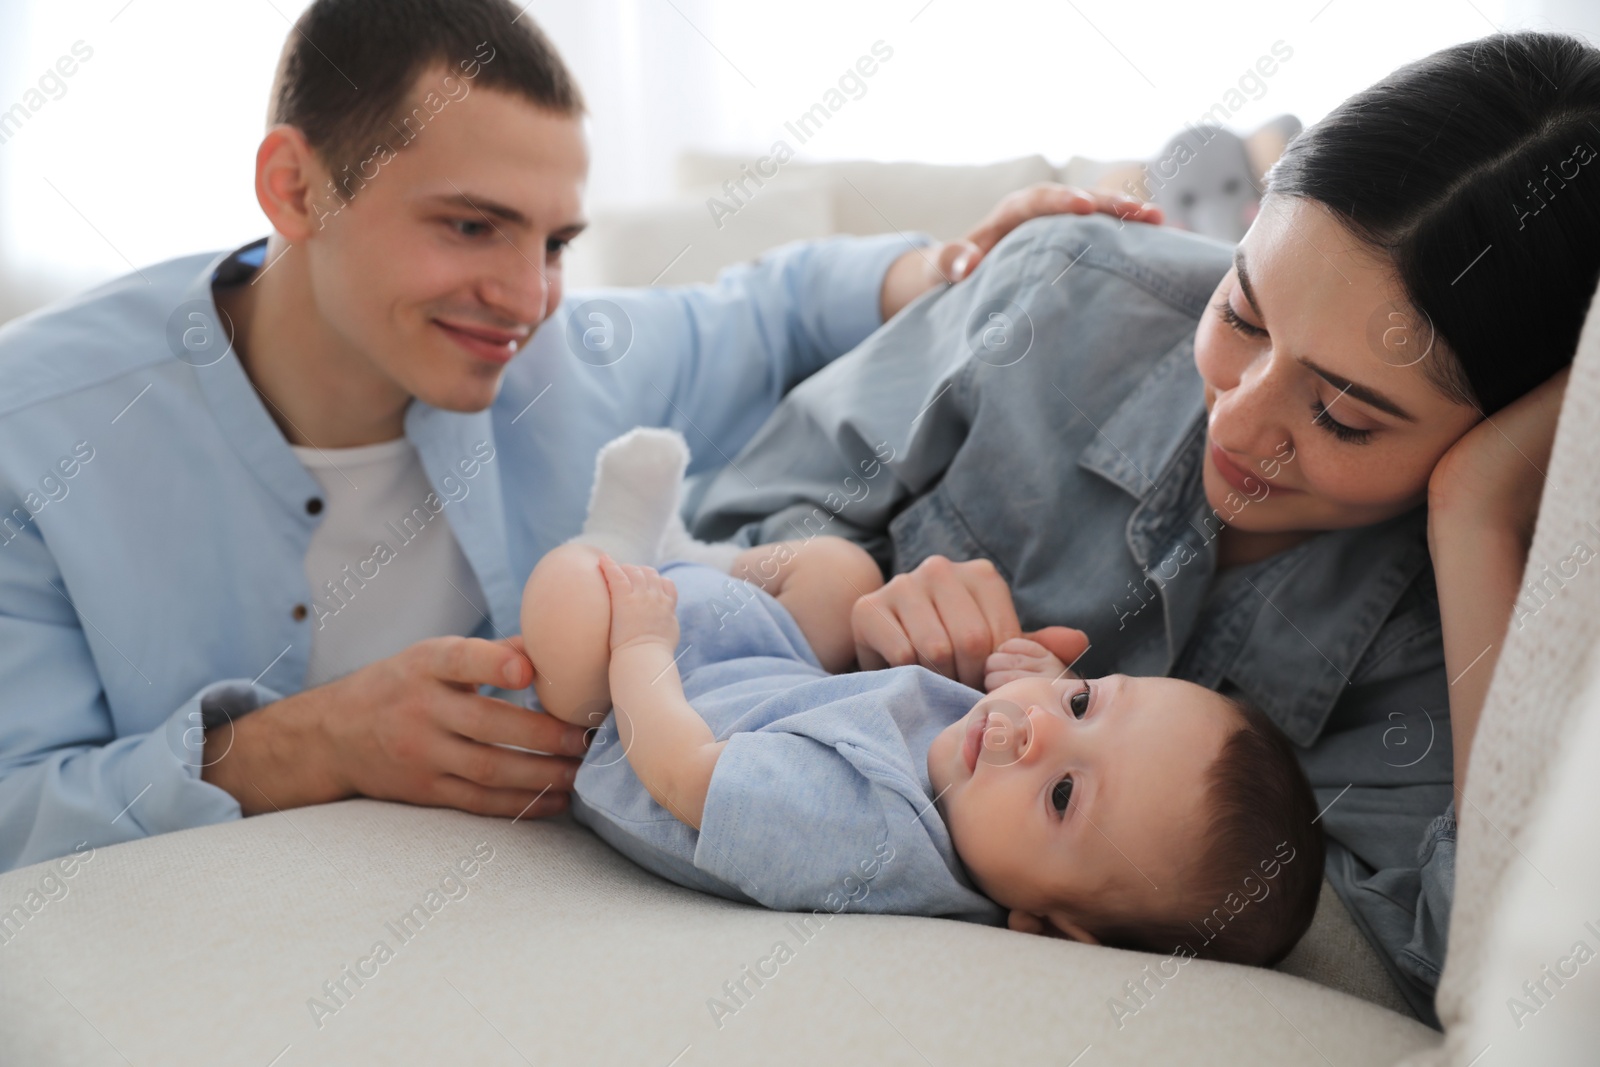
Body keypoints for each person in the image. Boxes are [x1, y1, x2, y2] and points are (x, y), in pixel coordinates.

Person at [0, 0, 1160, 874]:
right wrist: (304, 746)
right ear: (296, 191)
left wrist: (974, 267)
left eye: (554, 242)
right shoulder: (35, 437)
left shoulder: (552, 364)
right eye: (470, 225)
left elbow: (775, 308)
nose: (527, 295)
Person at [690, 31, 1600, 1025]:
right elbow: (729, 526)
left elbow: (1482, 969)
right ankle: (1222, 183)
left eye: (1343, 414)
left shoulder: (1458, 621)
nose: (1240, 424)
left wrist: (1477, 513)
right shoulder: (1061, 287)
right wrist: (836, 584)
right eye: (1243, 317)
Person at [519, 428, 1324, 966]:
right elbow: (1026, 714)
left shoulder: (858, 832)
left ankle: (622, 543)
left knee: (570, 608)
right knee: (843, 576)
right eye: (1084, 706)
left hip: (640, 716)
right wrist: (1032, 675)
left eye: (1064, 794)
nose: (1031, 731)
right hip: (770, 678)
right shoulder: (983, 793)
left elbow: (681, 768)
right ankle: (687, 551)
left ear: (1049, 928)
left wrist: (640, 643)